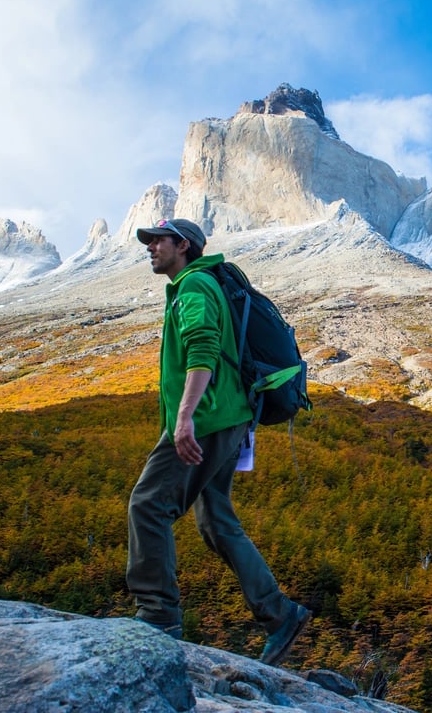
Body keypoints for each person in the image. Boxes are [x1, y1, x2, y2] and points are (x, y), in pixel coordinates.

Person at [127, 217, 311, 666]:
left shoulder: (193, 286)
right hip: (232, 419)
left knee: (148, 505)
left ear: (182, 244)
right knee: (216, 521)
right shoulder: (209, 283)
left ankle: (158, 617)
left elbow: (202, 348)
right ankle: (279, 614)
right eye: (148, 241)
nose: (150, 247)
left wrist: (185, 416)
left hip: (206, 420)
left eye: (157, 240)